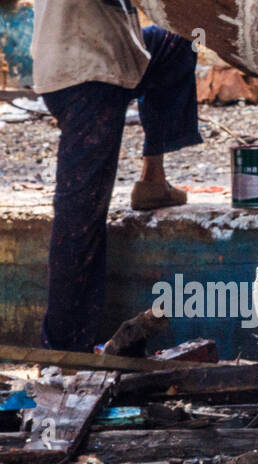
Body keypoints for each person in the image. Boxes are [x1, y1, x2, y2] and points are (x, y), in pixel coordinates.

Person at [31, 0, 201, 352]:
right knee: (80, 216)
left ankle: (152, 179)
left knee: (176, 45)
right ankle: (64, 348)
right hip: (85, 71)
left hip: (109, 54)